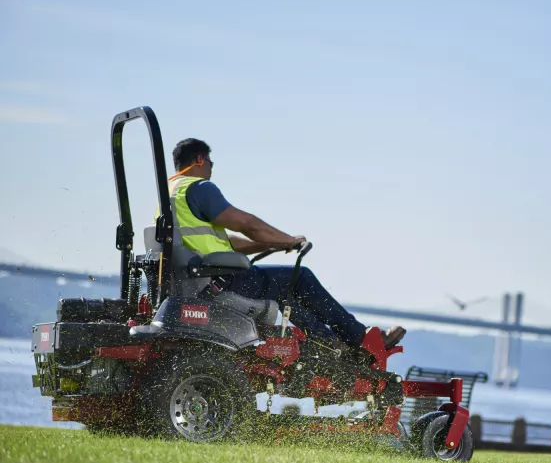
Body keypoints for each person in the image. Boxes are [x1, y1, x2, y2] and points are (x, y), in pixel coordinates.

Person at [164, 137, 406, 352]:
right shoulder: (200, 188)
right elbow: (247, 224)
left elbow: (224, 243)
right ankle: (361, 338)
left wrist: (269, 245)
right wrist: (288, 240)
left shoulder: (170, 195)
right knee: (300, 277)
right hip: (218, 281)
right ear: (200, 159)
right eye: (211, 163)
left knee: (283, 290)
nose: (211, 169)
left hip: (197, 280)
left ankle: (330, 345)